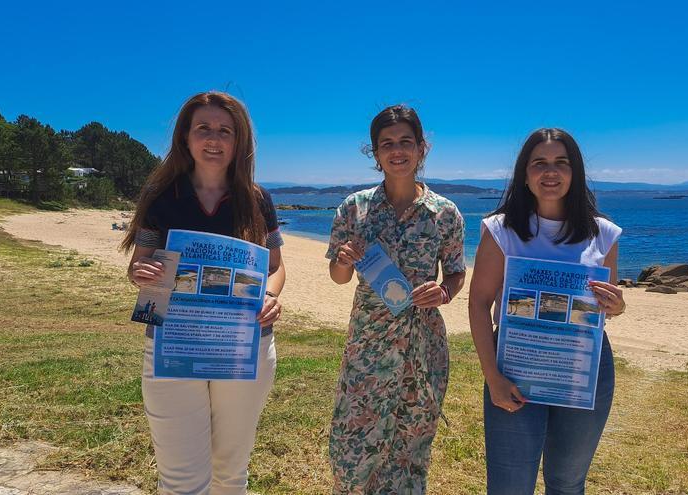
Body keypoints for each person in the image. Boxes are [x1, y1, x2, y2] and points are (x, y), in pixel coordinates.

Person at [120, 91, 285, 495]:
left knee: (231, 473)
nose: (214, 139)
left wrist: (271, 296)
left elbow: (276, 268)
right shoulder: (161, 196)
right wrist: (140, 272)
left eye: (224, 130)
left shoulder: (257, 198)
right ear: (186, 138)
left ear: (239, 140)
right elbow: (137, 265)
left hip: (243, 346)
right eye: (203, 129)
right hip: (171, 344)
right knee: (180, 480)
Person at [468, 128, 625, 495]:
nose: (550, 172)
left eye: (561, 163)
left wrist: (617, 305)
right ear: (525, 173)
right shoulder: (501, 229)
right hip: (515, 367)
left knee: (567, 482)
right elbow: (478, 303)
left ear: (575, 173)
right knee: (509, 486)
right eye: (539, 163)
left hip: (584, 371)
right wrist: (493, 377)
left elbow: (609, 306)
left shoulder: (603, 234)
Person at [326, 104, 467, 494]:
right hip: (368, 347)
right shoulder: (354, 209)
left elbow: (456, 272)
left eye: (406, 141)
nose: (397, 150)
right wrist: (342, 260)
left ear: (422, 148)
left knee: (409, 454)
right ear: (375, 153)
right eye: (387, 143)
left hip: (423, 351)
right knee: (352, 450)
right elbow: (338, 278)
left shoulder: (445, 214)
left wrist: (443, 292)